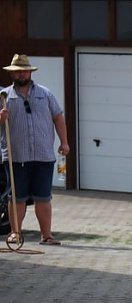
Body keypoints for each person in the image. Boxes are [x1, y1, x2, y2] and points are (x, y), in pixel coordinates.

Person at [0, 54, 70, 246]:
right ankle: (15, 233)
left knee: (43, 197)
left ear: (30, 72)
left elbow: (58, 117)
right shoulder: (4, 97)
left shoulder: (45, 94)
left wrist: (64, 142)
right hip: (16, 157)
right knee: (17, 198)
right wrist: (1, 118)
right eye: (18, 72)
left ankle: (46, 236)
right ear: (12, 74)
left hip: (43, 156)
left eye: (25, 71)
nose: (22, 74)